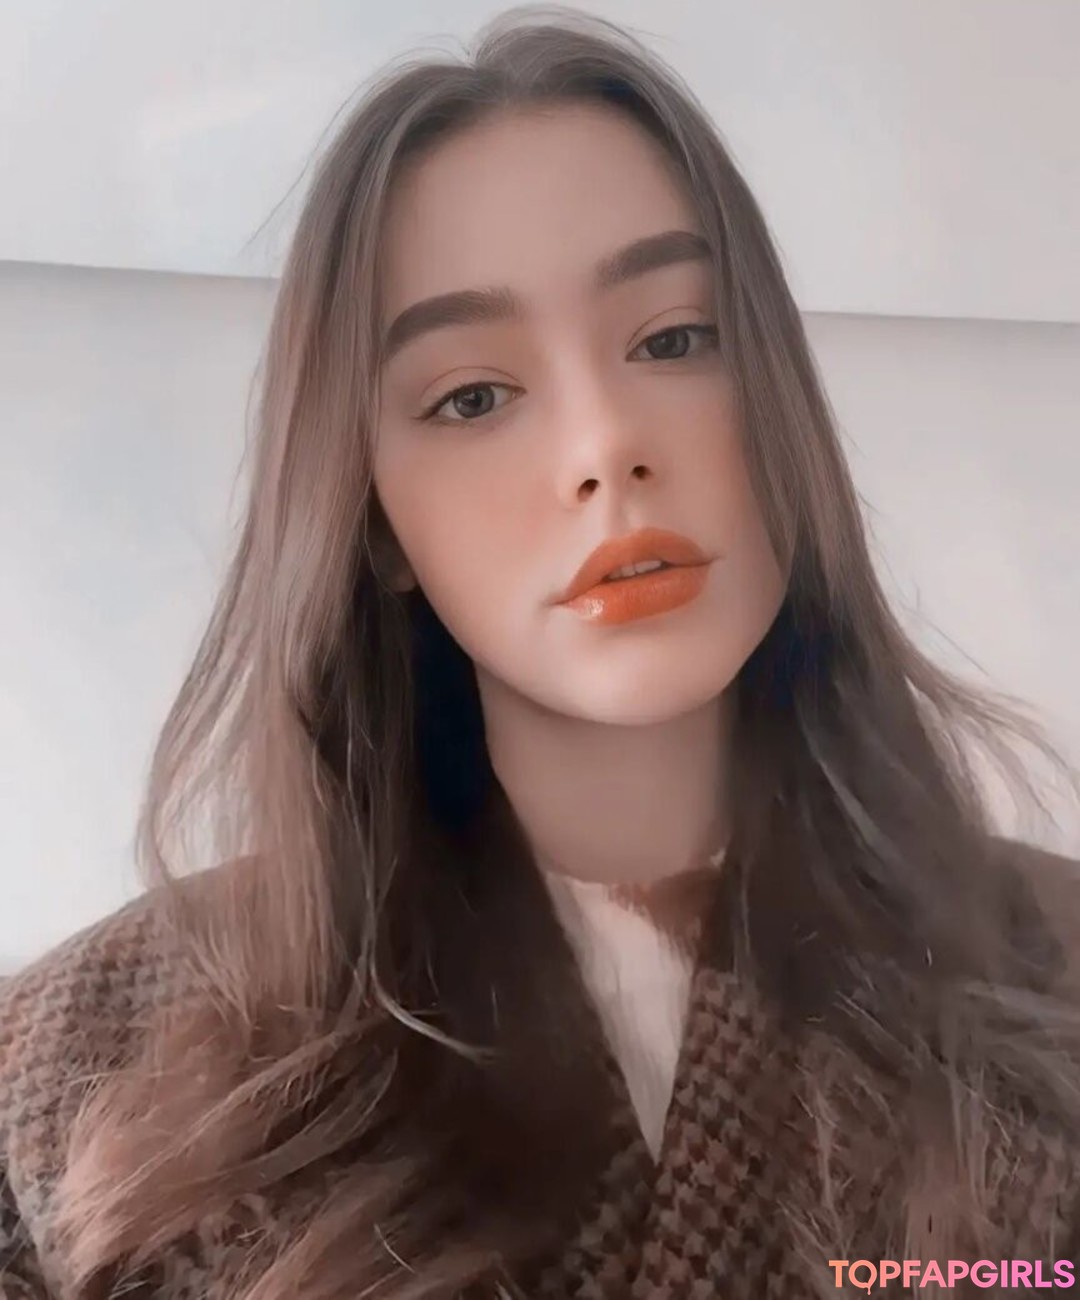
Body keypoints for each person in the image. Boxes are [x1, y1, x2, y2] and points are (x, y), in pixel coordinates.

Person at [2, 5, 1079, 1297]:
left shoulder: (1054, 974)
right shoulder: (79, 1068)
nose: (603, 445)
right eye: (473, 396)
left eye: (674, 339)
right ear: (373, 519)